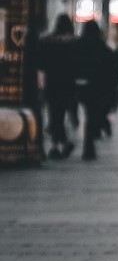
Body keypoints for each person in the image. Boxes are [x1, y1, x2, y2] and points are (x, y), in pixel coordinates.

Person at [74, 20, 117, 161]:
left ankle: (89, 145)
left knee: (89, 114)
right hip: (98, 88)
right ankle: (89, 144)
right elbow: (111, 65)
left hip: (83, 86)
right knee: (93, 115)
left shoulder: (80, 46)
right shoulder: (101, 47)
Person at [38, 13, 78, 160]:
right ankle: (61, 143)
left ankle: (58, 145)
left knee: (54, 114)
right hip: (68, 83)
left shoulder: (47, 42)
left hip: (52, 82)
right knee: (61, 114)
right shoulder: (74, 43)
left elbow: (41, 64)